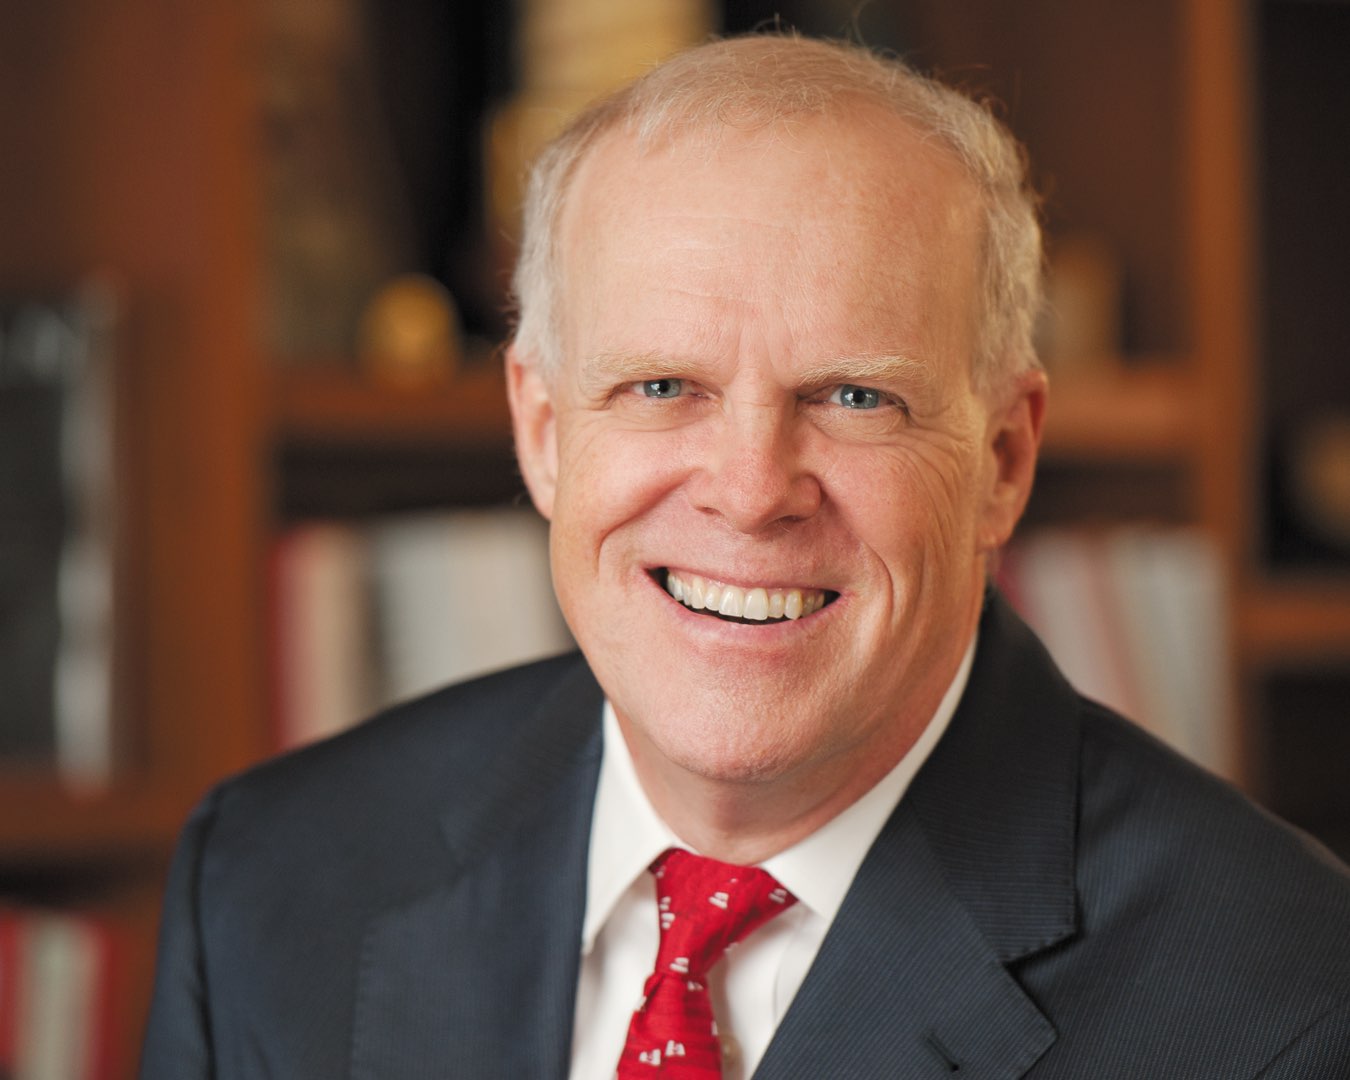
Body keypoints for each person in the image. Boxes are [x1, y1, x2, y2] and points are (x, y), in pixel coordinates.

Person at [141, 34, 1350, 1079]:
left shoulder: (1286, 1006)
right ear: (545, 434)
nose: (752, 489)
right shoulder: (273, 879)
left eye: (854, 396)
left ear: (1002, 460)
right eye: (662, 385)